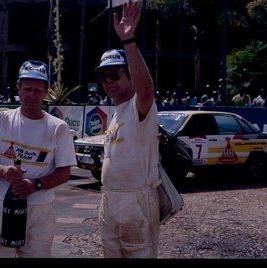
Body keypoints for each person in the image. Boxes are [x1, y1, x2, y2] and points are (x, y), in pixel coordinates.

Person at [0, 60, 77, 258]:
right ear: (18, 87)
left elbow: (64, 173)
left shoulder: (58, 128)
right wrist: (1, 171)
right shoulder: (0, 119)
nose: (32, 95)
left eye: (38, 90)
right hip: (2, 206)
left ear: (47, 91)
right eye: (27, 88)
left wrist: (35, 184)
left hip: (40, 211)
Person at [95, 0, 160, 258]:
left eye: (115, 74)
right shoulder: (117, 112)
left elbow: (146, 90)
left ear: (129, 75)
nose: (108, 81)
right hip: (110, 200)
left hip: (136, 202)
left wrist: (128, 40)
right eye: (104, 77)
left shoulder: (139, 106)